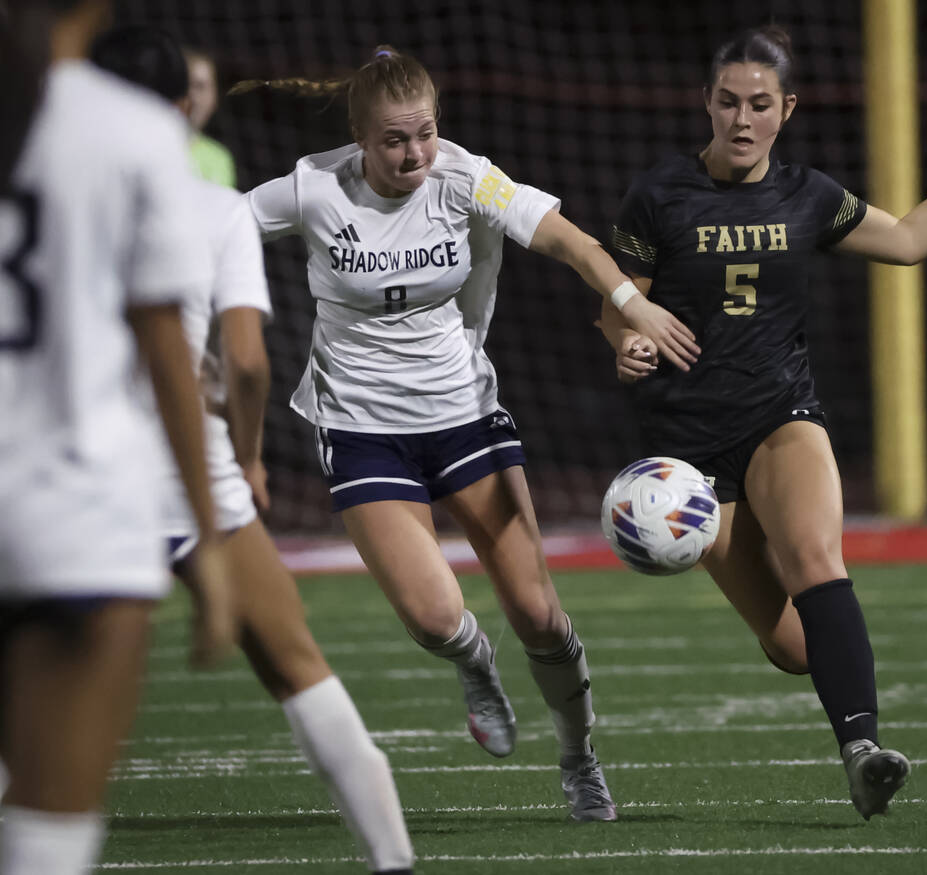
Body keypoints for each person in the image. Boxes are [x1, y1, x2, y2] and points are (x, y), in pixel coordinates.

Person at [236, 46, 700, 823]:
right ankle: (473, 661)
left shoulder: (465, 177)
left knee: (540, 615)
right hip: (361, 428)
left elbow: (571, 242)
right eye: (394, 140)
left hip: (464, 417)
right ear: (359, 137)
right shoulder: (313, 188)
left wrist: (634, 305)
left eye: (424, 132)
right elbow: (219, 227)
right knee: (433, 618)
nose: (414, 152)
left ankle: (580, 758)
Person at [599, 25, 927, 820]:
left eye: (759, 104)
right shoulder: (658, 194)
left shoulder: (808, 195)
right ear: (706, 103)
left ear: (788, 109)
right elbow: (617, 299)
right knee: (793, 647)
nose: (742, 119)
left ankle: (863, 752)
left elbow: (908, 240)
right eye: (728, 102)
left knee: (815, 555)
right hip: (688, 452)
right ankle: (832, 672)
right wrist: (626, 340)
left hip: (780, 413)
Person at [90, 26, 416, 874]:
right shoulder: (214, 209)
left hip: (69, 484)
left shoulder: (35, 197)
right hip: (188, 475)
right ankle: (393, 860)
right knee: (299, 669)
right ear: (182, 108)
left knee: (40, 711)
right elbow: (244, 362)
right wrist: (247, 457)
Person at [0, 2, 235, 872]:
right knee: (47, 845)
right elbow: (168, 354)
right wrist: (210, 539)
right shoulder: (132, 130)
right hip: (77, 514)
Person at [184, 46, 237, 187]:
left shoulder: (220, 158)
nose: (193, 96)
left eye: (200, 86)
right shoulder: (152, 146)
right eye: (186, 85)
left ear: (215, 96)